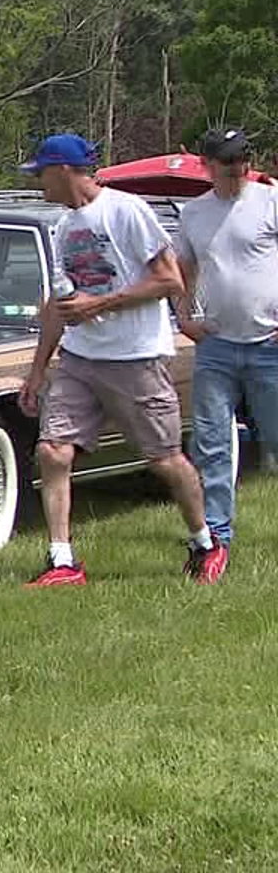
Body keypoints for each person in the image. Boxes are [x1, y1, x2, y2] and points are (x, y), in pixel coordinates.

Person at [16, 133, 208, 588]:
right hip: (81, 358)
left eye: (41, 172)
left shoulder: (127, 211)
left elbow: (170, 282)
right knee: (52, 451)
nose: (38, 182)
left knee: (165, 460)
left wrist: (100, 305)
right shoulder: (63, 227)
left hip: (135, 357)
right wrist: (37, 370)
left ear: (64, 170)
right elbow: (59, 304)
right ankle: (62, 561)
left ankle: (204, 541)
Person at [171, 128, 278, 584]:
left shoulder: (270, 201)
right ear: (207, 164)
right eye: (229, 160)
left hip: (269, 344)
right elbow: (183, 267)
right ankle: (215, 541)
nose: (238, 168)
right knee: (212, 446)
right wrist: (183, 317)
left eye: (243, 159)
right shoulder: (194, 213)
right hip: (215, 346)